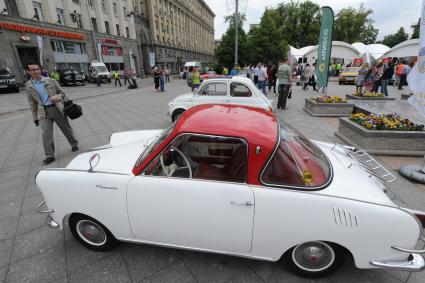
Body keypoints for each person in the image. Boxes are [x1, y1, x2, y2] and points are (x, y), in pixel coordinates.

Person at [25, 62, 78, 165]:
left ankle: (74, 143)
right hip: (43, 112)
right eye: (33, 70)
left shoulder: (50, 80)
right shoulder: (28, 85)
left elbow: (62, 93)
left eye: (37, 69)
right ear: (28, 71)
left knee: (66, 128)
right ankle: (49, 155)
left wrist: (56, 97)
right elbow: (32, 102)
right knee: (46, 134)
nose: (36, 71)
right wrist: (34, 116)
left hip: (57, 109)